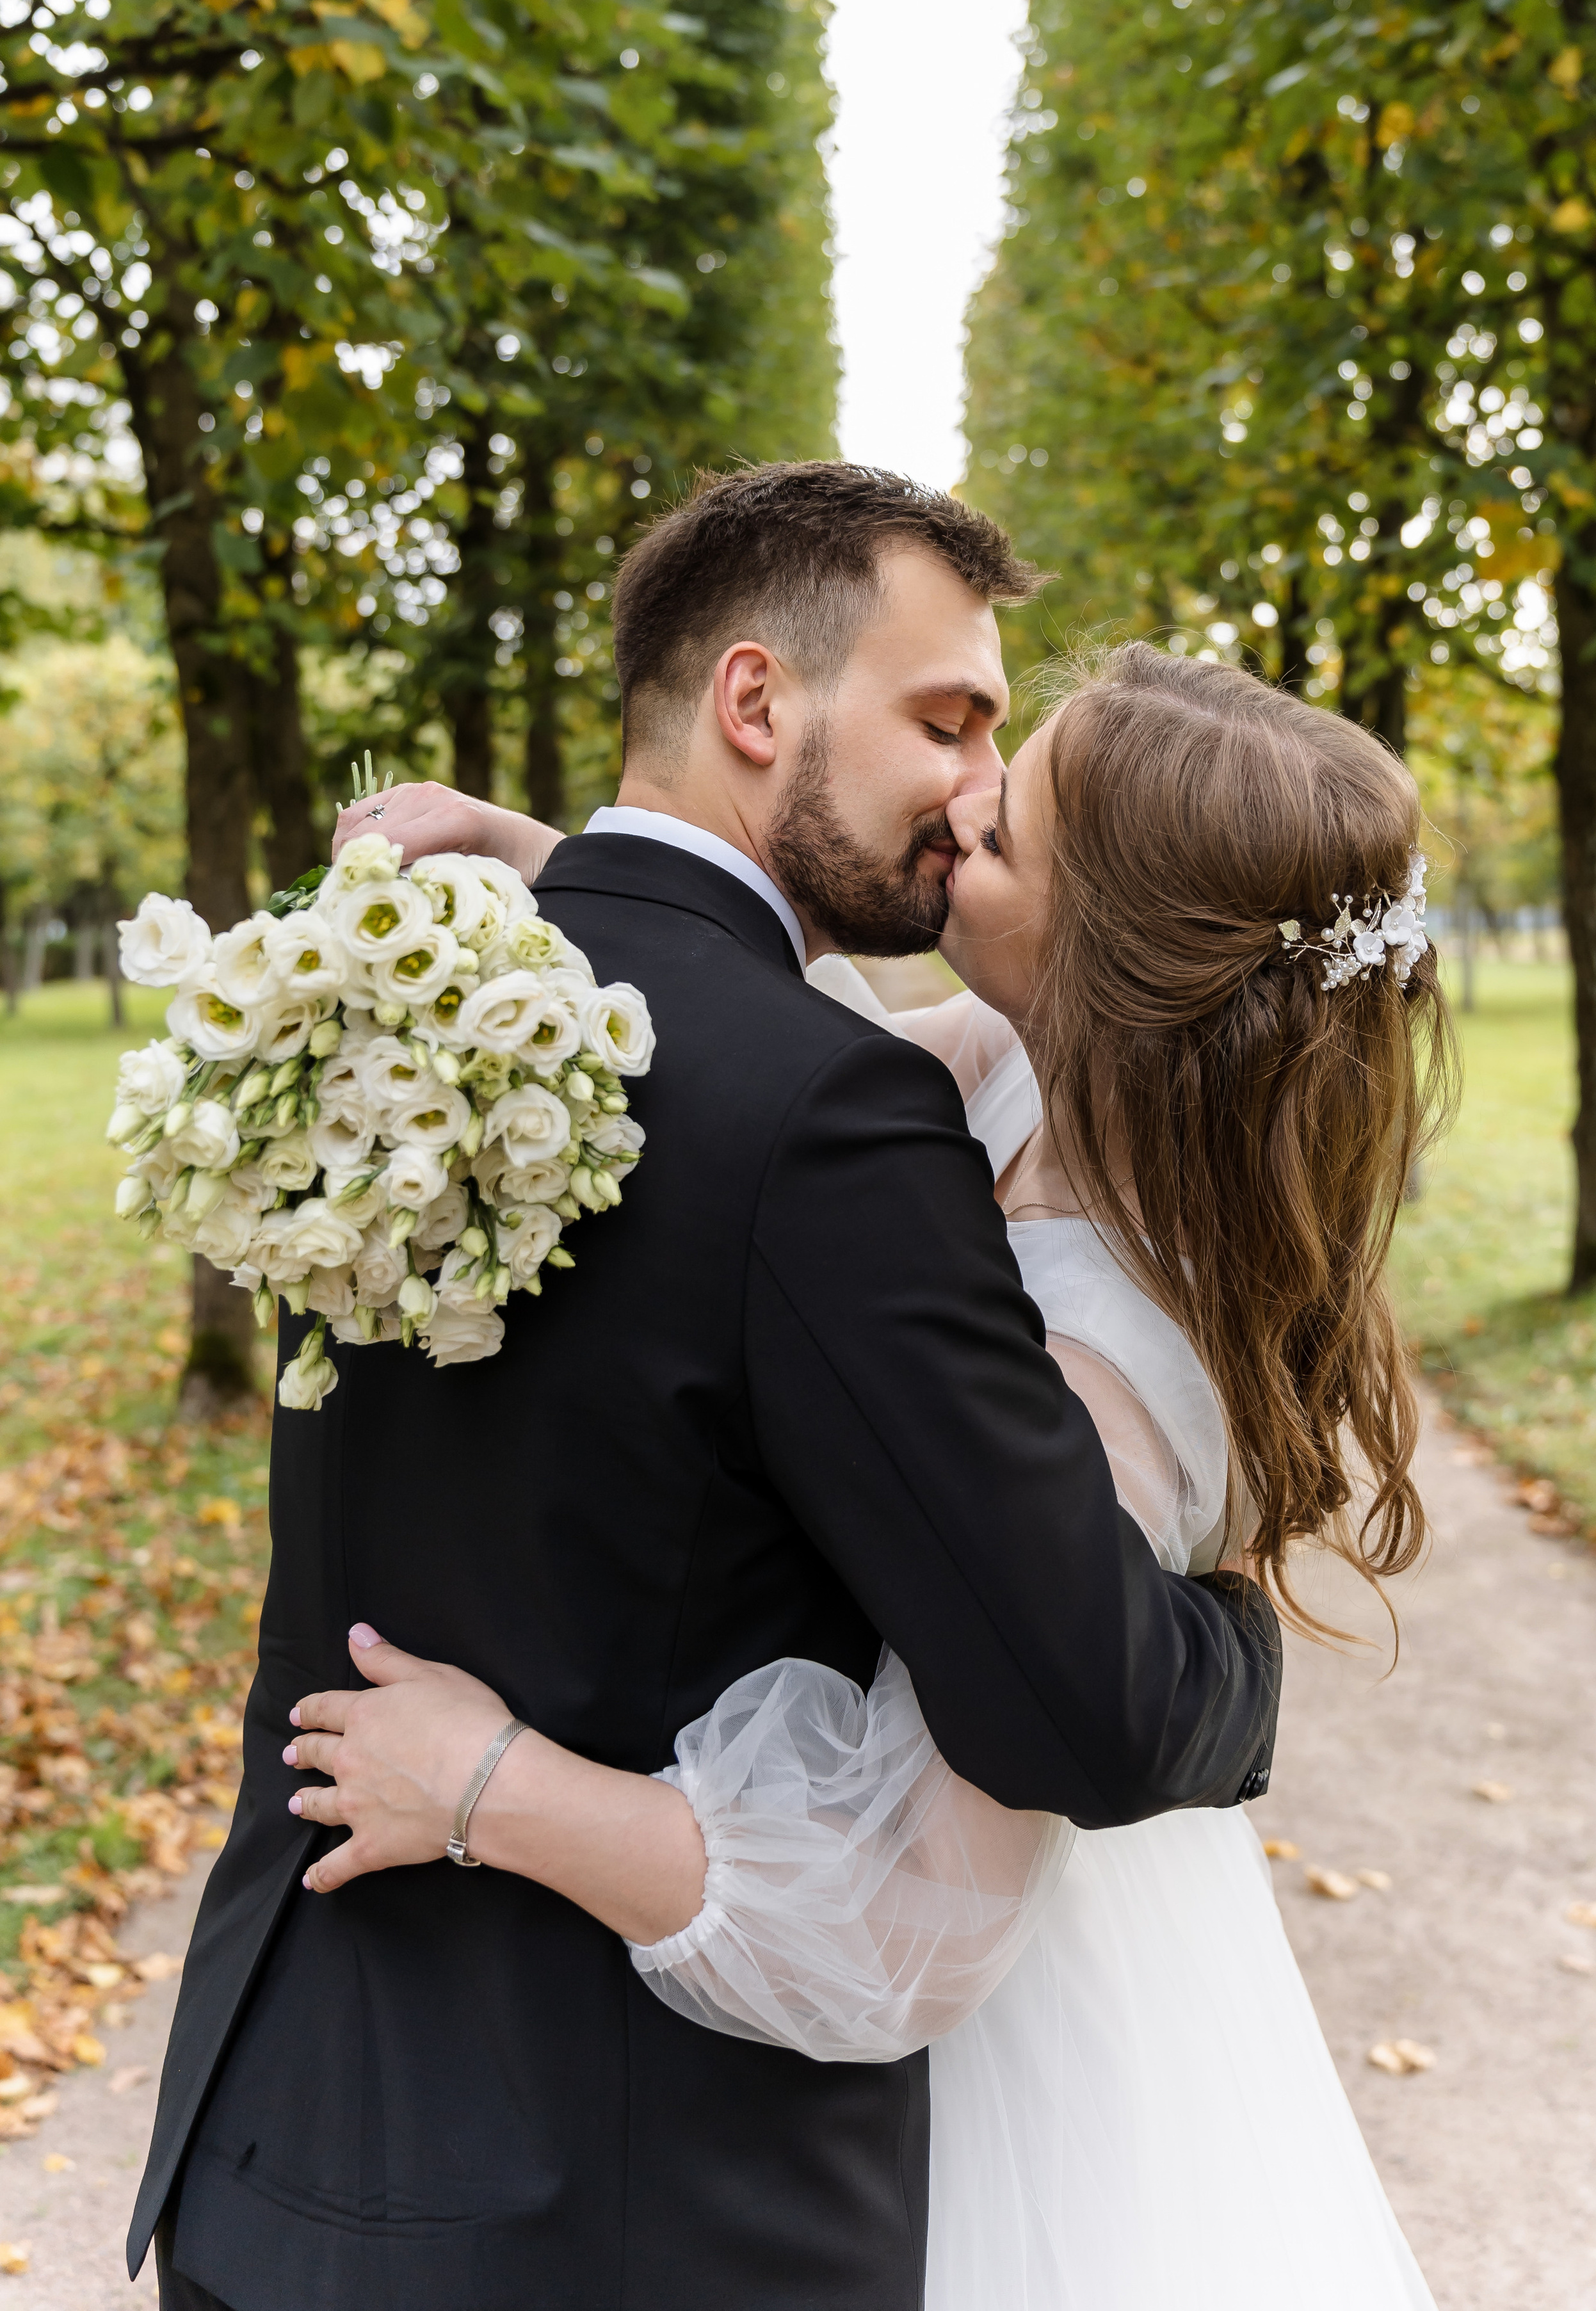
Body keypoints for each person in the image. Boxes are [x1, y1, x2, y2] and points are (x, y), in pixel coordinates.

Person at [133, 469, 1280, 2311]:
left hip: (272, 2135)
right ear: (760, 705)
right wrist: (1237, 1648)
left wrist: (546, 859)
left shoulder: (387, 997)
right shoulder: (837, 1115)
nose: (975, 788)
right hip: (619, 2213)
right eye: (948, 719)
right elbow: (1086, 1709)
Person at [280, 641, 1453, 2307]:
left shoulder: (1095, 1368)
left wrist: (488, 1787)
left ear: (1112, 953)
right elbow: (809, 1050)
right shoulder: (1057, 1063)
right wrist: (573, 868)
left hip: (990, 2083)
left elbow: (910, 1922)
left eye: (1009, 832)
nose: (959, 809)